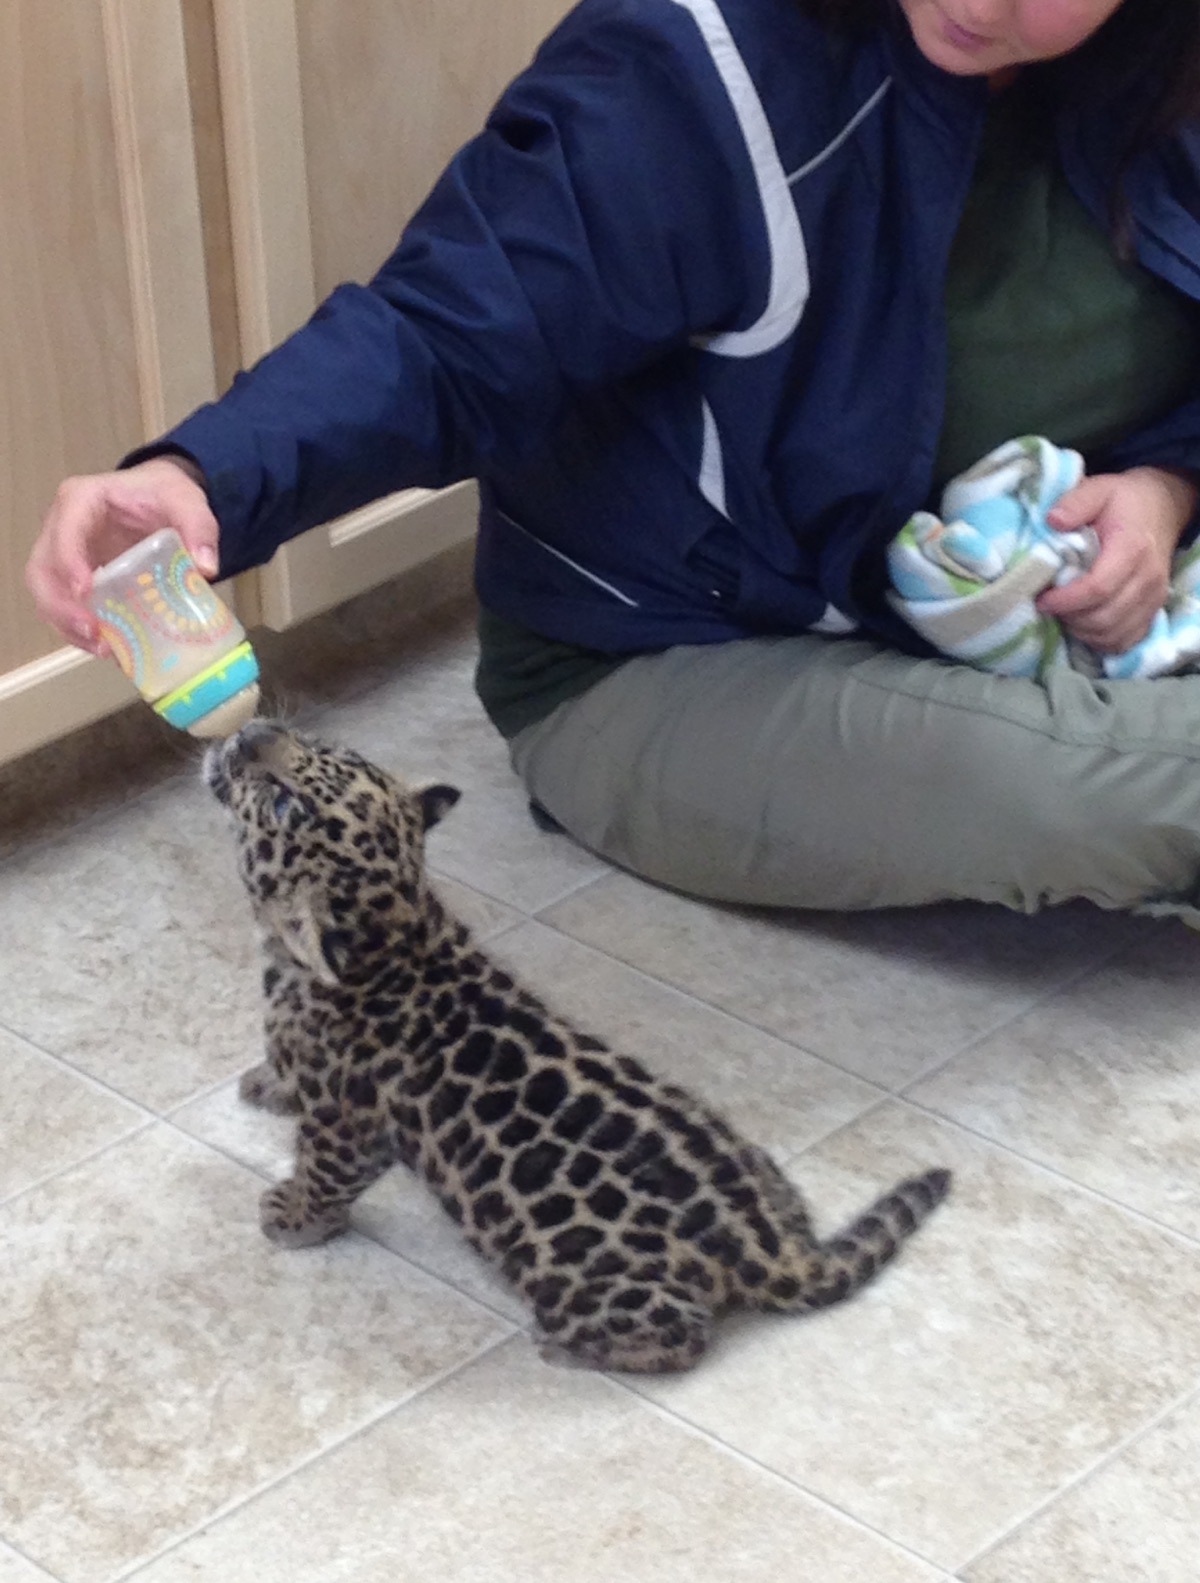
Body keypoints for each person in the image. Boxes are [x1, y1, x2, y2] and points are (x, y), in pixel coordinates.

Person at [26, 0, 1200, 922]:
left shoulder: (1152, 73)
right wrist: (206, 474)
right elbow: (446, 337)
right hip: (667, 663)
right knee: (1128, 785)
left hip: (980, 589)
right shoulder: (692, 77)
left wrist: (1162, 483)